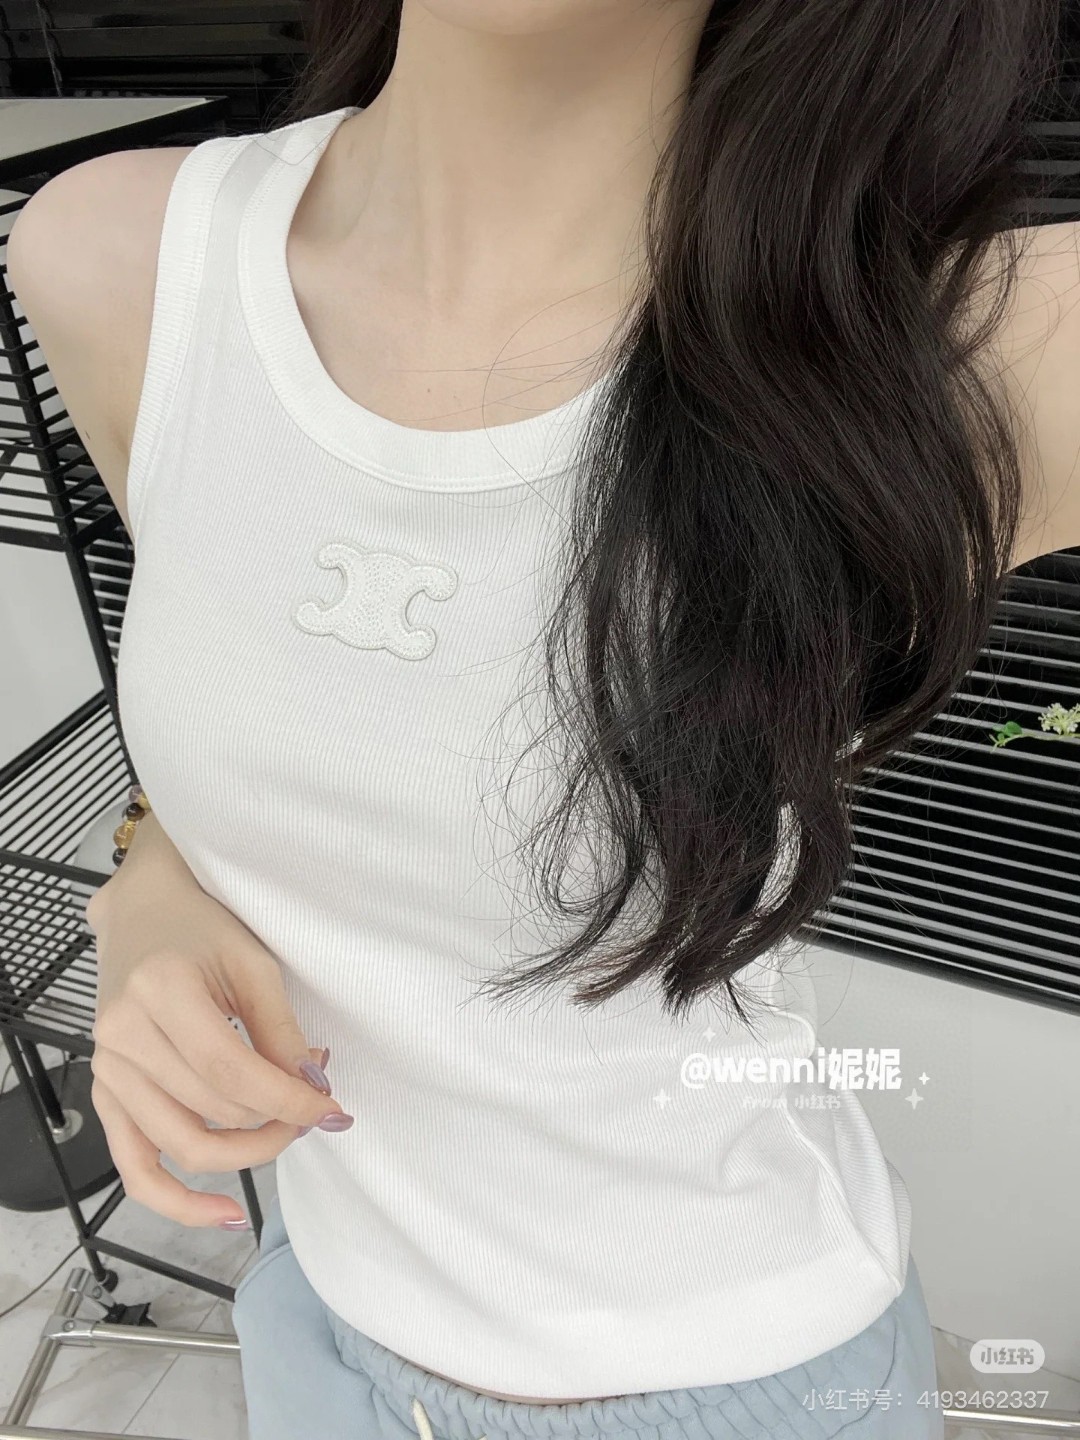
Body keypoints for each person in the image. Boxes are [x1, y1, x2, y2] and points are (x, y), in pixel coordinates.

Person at [9, 0, 1074, 1435]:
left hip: (734, 1384)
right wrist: (148, 901)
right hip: (319, 1319)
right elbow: (279, 712)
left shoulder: (959, 348)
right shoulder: (118, 258)